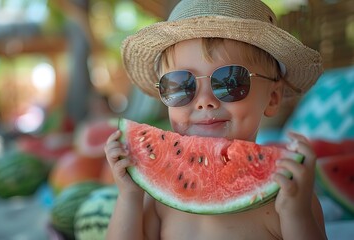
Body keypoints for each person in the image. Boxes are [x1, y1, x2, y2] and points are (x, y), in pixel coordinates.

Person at [104, 0, 327, 239]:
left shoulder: (288, 194)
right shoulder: (157, 200)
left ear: (272, 97)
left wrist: (296, 214)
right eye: (181, 85)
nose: (204, 101)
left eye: (230, 82)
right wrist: (129, 197)